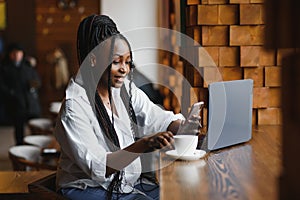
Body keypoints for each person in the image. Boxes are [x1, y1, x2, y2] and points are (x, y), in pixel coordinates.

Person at [54, 14, 200, 200]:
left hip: (121, 183)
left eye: (128, 61)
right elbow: (100, 167)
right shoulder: (74, 107)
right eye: (116, 62)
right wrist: (143, 144)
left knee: (174, 195)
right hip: (86, 187)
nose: (125, 69)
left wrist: (185, 128)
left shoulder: (125, 90)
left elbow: (159, 119)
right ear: (92, 60)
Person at [0, 43, 41, 145]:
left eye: (19, 53)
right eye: (14, 53)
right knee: (19, 128)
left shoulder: (27, 66)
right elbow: (2, 86)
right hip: (16, 103)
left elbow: (37, 81)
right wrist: (11, 94)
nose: (16, 55)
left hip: (31, 102)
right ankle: (19, 148)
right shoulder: (5, 68)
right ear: (10, 54)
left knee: (35, 127)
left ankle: (34, 147)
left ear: (22, 54)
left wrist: (34, 85)